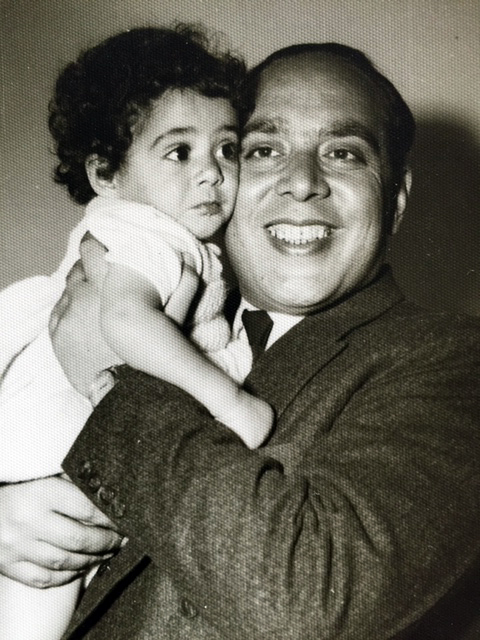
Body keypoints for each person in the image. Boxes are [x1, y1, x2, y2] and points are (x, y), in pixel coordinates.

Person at [2, 42, 480, 639]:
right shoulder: (173, 310)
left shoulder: (452, 361)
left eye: (343, 153)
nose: (302, 183)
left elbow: (309, 601)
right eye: (261, 151)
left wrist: (106, 381)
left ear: (396, 202)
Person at [0, 26, 273, 640]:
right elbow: (127, 321)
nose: (211, 174)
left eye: (227, 149)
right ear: (106, 173)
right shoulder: (146, 233)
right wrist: (231, 401)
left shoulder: (180, 244)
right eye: (179, 152)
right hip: (55, 452)